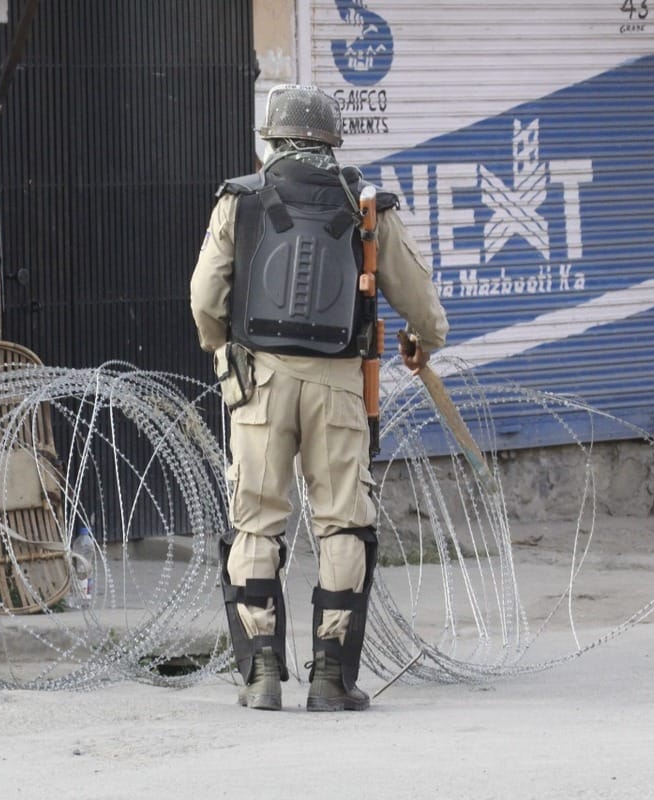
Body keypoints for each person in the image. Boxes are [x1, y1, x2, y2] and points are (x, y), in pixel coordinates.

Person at [190, 85, 449, 712]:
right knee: (341, 523)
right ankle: (331, 679)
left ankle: (262, 677)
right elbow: (420, 302)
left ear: (270, 143)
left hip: (259, 383)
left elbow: (204, 297)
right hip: (338, 386)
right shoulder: (365, 206)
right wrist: (423, 342)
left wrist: (224, 356)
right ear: (332, 141)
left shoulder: (239, 199)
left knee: (256, 520)